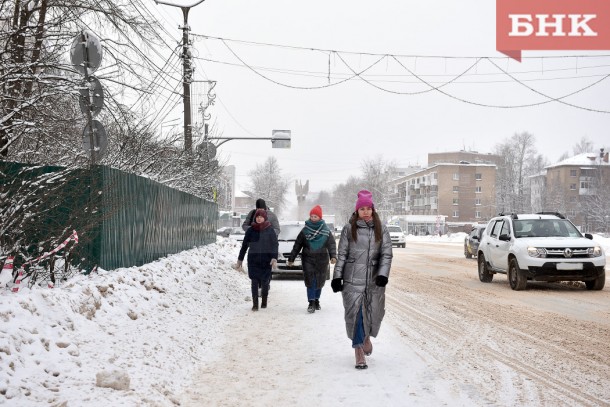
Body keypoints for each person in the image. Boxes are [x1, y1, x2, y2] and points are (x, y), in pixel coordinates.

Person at [331, 190, 393, 370]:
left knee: (374, 314)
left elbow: (387, 254)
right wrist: (337, 277)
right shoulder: (348, 229)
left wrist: (383, 274)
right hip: (352, 281)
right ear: (357, 211)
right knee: (356, 315)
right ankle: (358, 350)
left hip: (374, 282)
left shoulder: (382, 229)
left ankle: (366, 338)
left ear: (373, 210)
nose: (365, 212)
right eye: (362, 209)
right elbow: (341, 254)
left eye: (368, 209)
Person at [287, 205, 337, 313]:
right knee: (310, 280)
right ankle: (311, 302)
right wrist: (291, 258)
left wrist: (333, 256)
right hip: (308, 259)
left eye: (315, 216)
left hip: (322, 259)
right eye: (312, 216)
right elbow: (297, 245)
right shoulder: (305, 231)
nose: (313, 218)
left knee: (319, 280)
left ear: (320, 217)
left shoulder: (326, 231)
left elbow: (331, 244)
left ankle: (317, 300)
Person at [236, 209, 279, 311]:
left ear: (264, 218)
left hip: (266, 259)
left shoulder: (270, 229)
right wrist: (240, 259)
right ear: (255, 218)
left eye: (261, 217)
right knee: (254, 281)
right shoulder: (251, 230)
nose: (259, 219)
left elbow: (274, 245)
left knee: (265, 282)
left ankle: (264, 301)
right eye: (257, 217)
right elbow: (244, 245)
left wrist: (274, 258)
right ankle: (255, 304)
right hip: (253, 259)